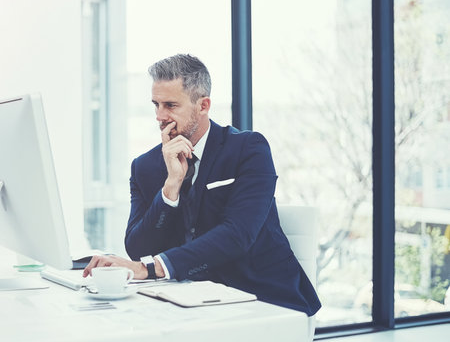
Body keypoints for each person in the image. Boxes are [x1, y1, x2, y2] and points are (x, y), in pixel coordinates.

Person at [84, 54, 321, 316]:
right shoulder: (145, 166)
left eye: (171, 105)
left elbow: (237, 235)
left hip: (261, 298)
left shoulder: (249, 149)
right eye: (156, 105)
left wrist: (151, 268)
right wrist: (170, 188)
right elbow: (139, 249)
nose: (160, 116)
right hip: (184, 300)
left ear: (203, 105)